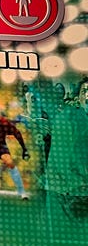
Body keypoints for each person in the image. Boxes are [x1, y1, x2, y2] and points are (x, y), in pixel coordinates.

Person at [45, 78, 88, 220]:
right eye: (85, 91)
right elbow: (63, 157)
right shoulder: (68, 118)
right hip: (70, 190)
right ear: (78, 97)